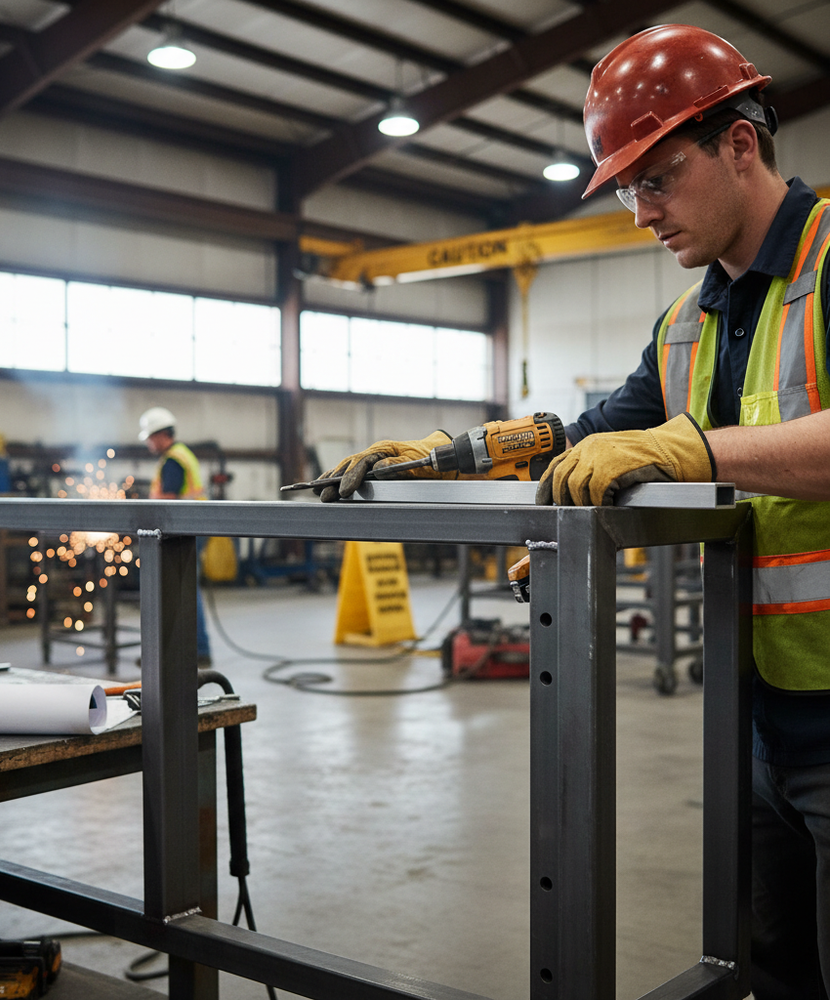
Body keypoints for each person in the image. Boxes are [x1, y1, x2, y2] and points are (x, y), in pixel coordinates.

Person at [315, 25, 830, 998]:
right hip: (754, 714)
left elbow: (680, 448)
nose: (641, 214)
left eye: (656, 180)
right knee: (778, 975)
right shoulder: (685, 324)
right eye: (627, 190)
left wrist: (697, 449)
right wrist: (444, 459)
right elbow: (591, 440)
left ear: (739, 145)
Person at [139, 406, 213, 667]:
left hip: (187, 528)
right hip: (194, 525)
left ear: (161, 435)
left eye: (150, 437)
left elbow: (168, 499)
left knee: (184, 588)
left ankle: (199, 649)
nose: (149, 443)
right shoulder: (181, 454)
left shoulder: (173, 460)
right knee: (181, 588)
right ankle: (178, 649)